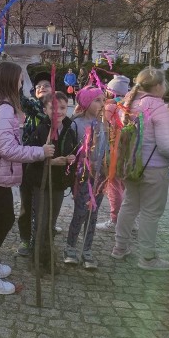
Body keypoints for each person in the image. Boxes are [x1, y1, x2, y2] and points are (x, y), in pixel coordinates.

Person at [0, 61, 54, 295]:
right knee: (0, 221)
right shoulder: (3, 108)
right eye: (18, 78)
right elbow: (7, 148)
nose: (21, 82)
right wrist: (39, 152)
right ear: (9, 80)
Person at [111, 68, 169, 270]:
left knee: (130, 204)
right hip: (154, 169)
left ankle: (119, 247)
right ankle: (148, 258)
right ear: (159, 86)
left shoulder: (128, 102)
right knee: (151, 212)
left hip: (130, 166)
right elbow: (167, 146)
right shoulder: (158, 107)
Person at [24, 91, 77, 274]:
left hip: (59, 184)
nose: (58, 112)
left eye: (62, 108)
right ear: (45, 110)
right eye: (53, 109)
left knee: (51, 223)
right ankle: (37, 260)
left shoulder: (70, 128)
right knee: (41, 222)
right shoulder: (41, 130)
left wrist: (71, 158)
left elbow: (74, 150)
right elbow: (31, 154)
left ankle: (48, 260)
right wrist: (50, 161)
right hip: (42, 183)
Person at [63, 86, 107, 269]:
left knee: (93, 213)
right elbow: (71, 151)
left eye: (103, 100)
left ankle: (87, 249)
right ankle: (70, 246)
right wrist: (87, 161)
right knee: (80, 212)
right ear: (86, 102)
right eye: (97, 100)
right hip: (83, 177)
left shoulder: (104, 124)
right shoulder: (76, 124)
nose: (102, 104)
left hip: (100, 177)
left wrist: (106, 162)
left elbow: (107, 149)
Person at [17, 71, 53, 257]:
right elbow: (21, 101)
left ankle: (42, 234)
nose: (41, 88)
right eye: (38, 86)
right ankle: (25, 237)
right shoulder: (32, 106)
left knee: (44, 202)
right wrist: (19, 82)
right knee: (26, 201)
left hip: (48, 161)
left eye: (46, 85)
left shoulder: (53, 109)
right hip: (29, 160)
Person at [96, 75, 130, 232]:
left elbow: (103, 128)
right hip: (126, 151)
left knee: (113, 186)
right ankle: (129, 220)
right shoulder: (127, 106)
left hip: (112, 151)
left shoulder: (109, 107)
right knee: (123, 185)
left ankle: (115, 220)